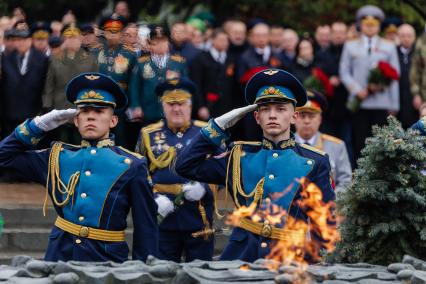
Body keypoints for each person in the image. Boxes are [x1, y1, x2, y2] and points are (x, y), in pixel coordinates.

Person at [175, 69, 335, 262]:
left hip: (290, 257)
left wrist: (320, 264)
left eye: (280, 109)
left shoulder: (315, 161)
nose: (272, 115)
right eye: (265, 110)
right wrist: (217, 126)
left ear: (294, 117)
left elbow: (324, 222)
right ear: (257, 117)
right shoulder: (238, 156)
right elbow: (185, 165)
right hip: (241, 255)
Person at [0, 72, 158, 262]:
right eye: (84, 111)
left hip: (106, 260)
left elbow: (145, 228)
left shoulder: (132, 165)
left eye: (99, 111)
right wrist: (37, 126)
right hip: (60, 256)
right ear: (76, 120)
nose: (90, 117)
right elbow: (4, 157)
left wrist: (144, 271)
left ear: (113, 121)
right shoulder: (56, 157)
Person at [135, 78, 215, 262]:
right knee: (163, 274)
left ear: (190, 105)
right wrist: (153, 199)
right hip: (163, 218)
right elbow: (139, 175)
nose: (176, 109)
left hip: (198, 217)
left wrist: (205, 186)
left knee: (200, 275)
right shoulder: (148, 134)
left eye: (181, 104)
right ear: (163, 106)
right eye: (171, 104)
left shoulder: (206, 133)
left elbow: (224, 170)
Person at [340, 5, 400, 162]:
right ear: (361, 25)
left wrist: (394, 105)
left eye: (373, 25)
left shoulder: (389, 46)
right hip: (359, 103)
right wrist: (356, 90)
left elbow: (395, 76)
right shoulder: (350, 45)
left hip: (381, 103)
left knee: (381, 144)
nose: (370, 27)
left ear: (379, 26)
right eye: (367, 24)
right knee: (359, 143)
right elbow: (344, 72)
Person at [42, 23, 99, 144]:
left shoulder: (90, 59)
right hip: (60, 106)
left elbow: (96, 84)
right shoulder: (55, 59)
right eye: (69, 38)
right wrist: (47, 105)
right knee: (61, 143)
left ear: (80, 40)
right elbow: (49, 85)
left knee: (81, 143)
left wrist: (94, 105)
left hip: (83, 107)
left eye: (75, 38)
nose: (72, 41)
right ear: (64, 40)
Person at [129, 25, 188, 126]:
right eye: (156, 41)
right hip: (148, 111)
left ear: (169, 43)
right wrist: (136, 106)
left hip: (172, 111)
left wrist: (184, 107)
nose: (160, 45)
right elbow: (134, 87)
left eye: (163, 41)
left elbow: (186, 87)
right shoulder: (141, 63)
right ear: (150, 44)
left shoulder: (178, 62)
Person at [294, 90, 352, 193]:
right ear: (293, 118)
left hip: (327, 206)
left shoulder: (337, 146)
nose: (307, 121)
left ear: (320, 119)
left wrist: (330, 201)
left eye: (311, 116)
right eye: (302, 116)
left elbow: (346, 181)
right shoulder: (283, 145)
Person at [0, 22, 48, 137]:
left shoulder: (42, 59)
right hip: (11, 113)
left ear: (30, 40)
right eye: (17, 40)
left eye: (23, 39)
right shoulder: (6, 58)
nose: (20, 43)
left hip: (33, 113)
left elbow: (45, 85)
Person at [190, 28, 235, 120]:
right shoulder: (201, 59)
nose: (225, 43)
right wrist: (201, 106)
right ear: (213, 40)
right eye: (221, 40)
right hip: (208, 106)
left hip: (227, 108)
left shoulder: (231, 59)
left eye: (227, 40)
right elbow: (196, 84)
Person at [396, 24, 417, 129]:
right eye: (403, 35)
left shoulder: (419, 53)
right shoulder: (392, 53)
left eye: (409, 36)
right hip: (396, 100)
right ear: (398, 37)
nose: (406, 39)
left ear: (414, 37)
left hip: (414, 100)